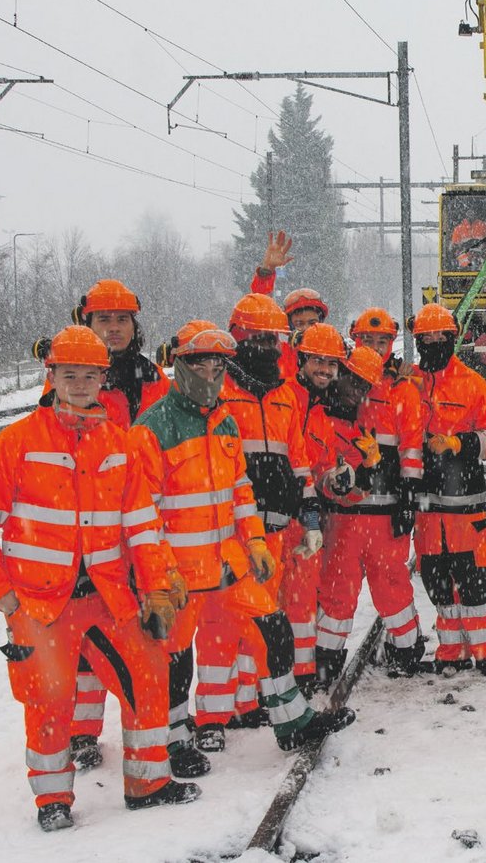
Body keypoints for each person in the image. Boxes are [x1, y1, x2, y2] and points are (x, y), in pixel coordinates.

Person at [0, 326, 198, 831]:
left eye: (90, 376)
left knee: (148, 676)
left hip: (110, 597)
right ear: (52, 377)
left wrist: (155, 585)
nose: (81, 385)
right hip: (40, 604)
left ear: (102, 378)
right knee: (48, 700)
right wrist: (1, 595)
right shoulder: (19, 442)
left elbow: (141, 526)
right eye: (70, 375)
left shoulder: (120, 444)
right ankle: (52, 801)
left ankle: (148, 782)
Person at [131, 321, 354, 778]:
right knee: (174, 654)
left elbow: (239, 491)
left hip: (228, 561)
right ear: (180, 365)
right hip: (180, 571)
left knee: (272, 630)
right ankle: (174, 739)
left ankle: (292, 721)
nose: (210, 374)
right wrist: (157, 573)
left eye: (218, 365)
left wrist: (255, 541)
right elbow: (141, 513)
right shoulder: (152, 428)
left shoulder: (225, 422)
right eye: (201, 364)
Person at [37, 279, 173, 770]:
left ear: (135, 325)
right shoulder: (76, 378)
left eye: (121, 320)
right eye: (103, 320)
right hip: (92, 529)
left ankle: (159, 729)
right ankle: (82, 732)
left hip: (143, 522)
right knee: (85, 638)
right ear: (86, 323)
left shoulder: (154, 379)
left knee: (148, 636)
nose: (113, 328)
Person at [188, 294, 323, 751]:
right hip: (230, 531)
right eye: (258, 338)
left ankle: (252, 703)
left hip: (277, 528)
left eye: (273, 339)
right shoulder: (220, 392)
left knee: (268, 619)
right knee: (219, 626)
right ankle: (211, 716)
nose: (266, 347)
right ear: (239, 339)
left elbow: (299, 460)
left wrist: (309, 514)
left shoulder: (286, 395)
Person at [311, 341, 426, 684]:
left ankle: (404, 650)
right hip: (347, 517)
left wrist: (406, 496)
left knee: (386, 586)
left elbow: (411, 447)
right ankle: (327, 659)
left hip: (377, 515)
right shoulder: (324, 411)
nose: (355, 389)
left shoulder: (396, 395)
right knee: (340, 589)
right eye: (352, 380)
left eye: (362, 384)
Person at [409, 304, 486, 676]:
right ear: (418, 341)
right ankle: (451, 650)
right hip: (426, 507)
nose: (434, 343)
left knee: (472, 581)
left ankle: (485, 651)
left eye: (440, 337)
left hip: (465, 504)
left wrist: (458, 445)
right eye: (427, 338)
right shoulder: (411, 383)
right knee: (436, 581)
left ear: (452, 339)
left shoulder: (471, 383)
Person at [279, 322, 349, 686]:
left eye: (332, 364)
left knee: (303, 604)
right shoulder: (282, 396)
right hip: (273, 519)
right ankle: (265, 683)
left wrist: (335, 479)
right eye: (318, 362)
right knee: (267, 607)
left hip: (307, 522)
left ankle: (301, 678)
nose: (324, 370)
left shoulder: (323, 416)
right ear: (301, 360)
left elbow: (318, 470)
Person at [250, 230, 331, 378]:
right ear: (289, 327)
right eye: (299, 323)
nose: (306, 329)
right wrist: (267, 271)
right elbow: (257, 310)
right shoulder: (279, 356)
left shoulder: (332, 357)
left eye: (312, 322)